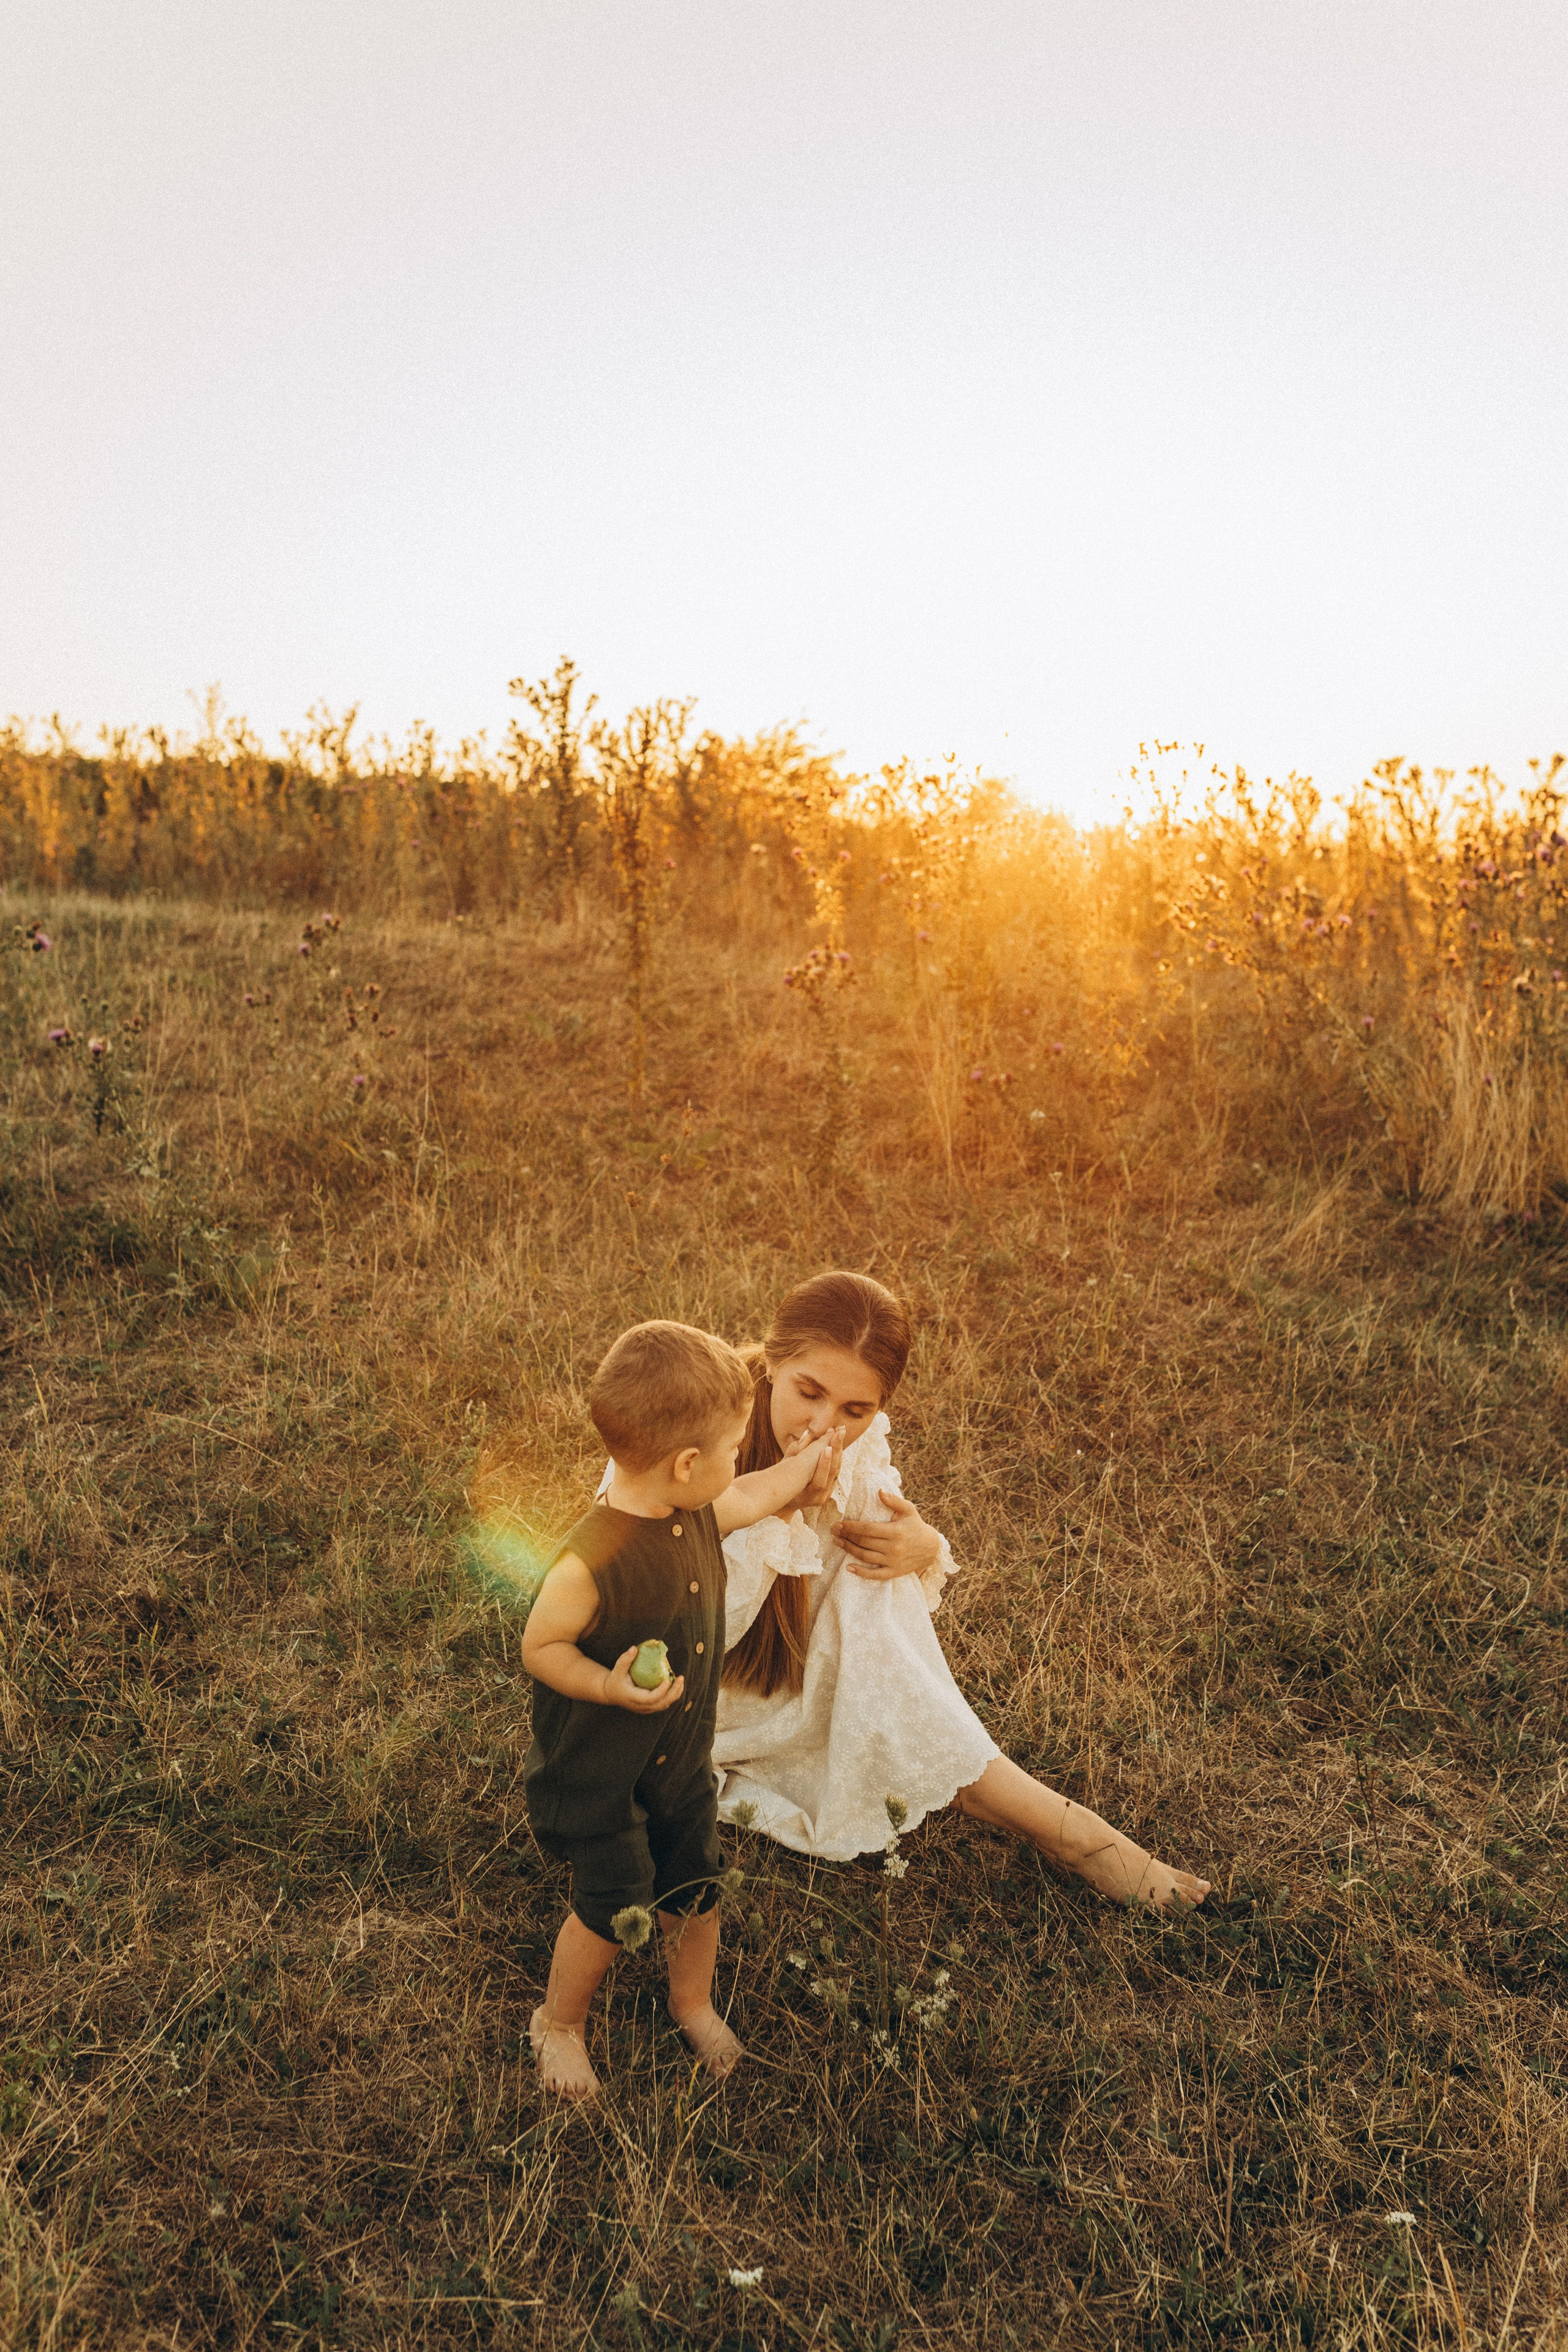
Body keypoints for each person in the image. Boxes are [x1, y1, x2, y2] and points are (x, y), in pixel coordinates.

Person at [714, 1271, 1211, 1912]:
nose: (824, 1426)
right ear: (774, 1361)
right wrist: (781, 1506)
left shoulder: (847, 1445)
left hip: (793, 1668)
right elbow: (677, 1617)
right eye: (808, 1392)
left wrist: (923, 1547)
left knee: (876, 1572)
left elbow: (875, 1544)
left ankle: (1035, 1808)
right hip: (691, 1687)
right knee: (867, 1598)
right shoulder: (702, 1412)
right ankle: (1070, 1833)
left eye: (855, 1410)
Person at [521, 1319, 838, 2100]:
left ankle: (689, 2000)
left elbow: (757, 1494)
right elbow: (541, 1647)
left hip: (680, 1762)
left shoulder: (697, 1507)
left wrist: (800, 1468)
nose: (742, 1462)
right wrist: (607, 1687)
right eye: (734, 1449)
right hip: (603, 1774)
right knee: (610, 1902)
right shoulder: (589, 1561)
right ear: (686, 1463)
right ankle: (558, 2024)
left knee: (695, 1886)